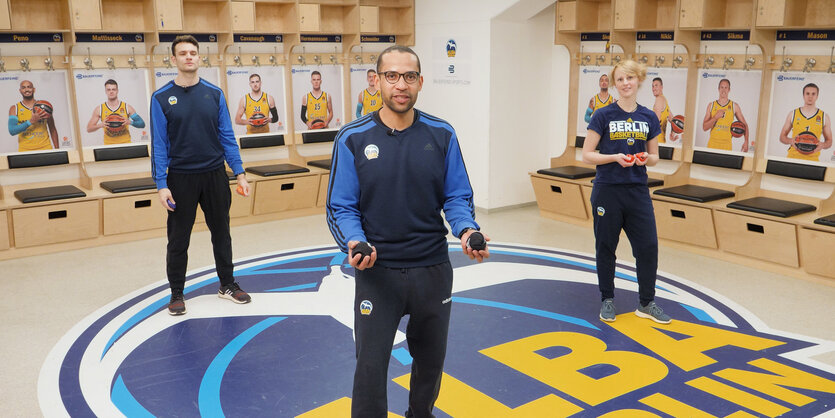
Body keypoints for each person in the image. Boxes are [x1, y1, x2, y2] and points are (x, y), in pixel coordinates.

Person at [327, 45, 489, 417]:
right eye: (392, 76)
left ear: (420, 82)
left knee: (431, 364)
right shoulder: (352, 137)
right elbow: (341, 206)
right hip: (377, 273)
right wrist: (355, 241)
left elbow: (457, 196)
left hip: (432, 270)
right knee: (370, 369)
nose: (401, 85)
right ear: (377, 80)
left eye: (409, 76)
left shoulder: (441, 133)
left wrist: (466, 231)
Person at [150, 35, 252, 316]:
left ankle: (227, 284)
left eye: (193, 52)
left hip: (214, 175)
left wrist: (240, 173)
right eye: (182, 53)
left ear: (199, 57)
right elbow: (158, 144)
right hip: (180, 178)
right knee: (179, 238)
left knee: (222, 233)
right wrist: (161, 185)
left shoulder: (214, 94)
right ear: (174, 60)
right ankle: (176, 293)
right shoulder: (160, 98)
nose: (189, 57)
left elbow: (227, 136)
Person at [581, 59, 671, 326]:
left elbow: (655, 157)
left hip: (637, 191)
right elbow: (587, 155)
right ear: (614, 83)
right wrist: (614, 157)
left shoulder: (649, 116)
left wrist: (644, 158)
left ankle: (646, 303)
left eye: (629, 78)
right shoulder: (603, 115)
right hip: (607, 191)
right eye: (620, 79)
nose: (625, 84)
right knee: (606, 247)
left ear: (638, 80)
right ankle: (607, 299)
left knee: (648, 247)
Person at [778, 83, 832, 162]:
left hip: (813, 160)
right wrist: (790, 141)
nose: (810, 97)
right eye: (807, 93)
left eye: (813, 94)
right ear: (803, 95)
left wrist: (823, 145)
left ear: (817, 96)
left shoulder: (824, 117)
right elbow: (782, 137)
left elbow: (829, 141)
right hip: (793, 158)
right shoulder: (793, 114)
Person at [86, 79, 145, 145]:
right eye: (108, 90)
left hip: (126, 144)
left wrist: (130, 122)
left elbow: (142, 124)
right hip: (108, 145)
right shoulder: (99, 109)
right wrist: (100, 125)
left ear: (117, 91)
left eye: (113, 89)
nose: (111, 92)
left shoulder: (127, 107)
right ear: (105, 91)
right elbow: (89, 129)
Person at [8, 80, 59, 151]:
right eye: (23, 87)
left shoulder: (44, 106)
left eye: (29, 87)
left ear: (34, 89)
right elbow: (12, 131)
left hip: (45, 148)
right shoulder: (14, 108)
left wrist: (57, 149)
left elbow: (52, 128)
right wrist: (31, 121)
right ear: (20, 91)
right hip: (25, 150)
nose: (26, 89)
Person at [701, 78, 750, 152]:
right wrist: (715, 118)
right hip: (712, 144)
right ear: (718, 89)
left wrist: (746, 141)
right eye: (722, 87)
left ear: (729, 90)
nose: (723, 90)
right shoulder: (711, 105)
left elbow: (745, 125)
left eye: (726, 87)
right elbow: (704, 128)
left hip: (727, 145)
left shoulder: (734, 106)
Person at [650, 77, 675, 144]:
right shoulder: (664, 100)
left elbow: (655, 121)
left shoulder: (659, 99)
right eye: (652, 86)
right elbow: (674, 121)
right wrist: (672, 133)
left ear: (661, 87)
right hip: (662, 142)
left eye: (656, 85)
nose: (654, 88)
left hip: (655, 142)